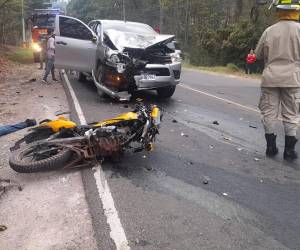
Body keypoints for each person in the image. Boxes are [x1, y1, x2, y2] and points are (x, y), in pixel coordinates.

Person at [255, 0, 300, 162]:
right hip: (293, 79)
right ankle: (289, 151)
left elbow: (258, 54)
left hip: (271, 78)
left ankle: (270, 147)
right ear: (296, 11)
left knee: (269, 113)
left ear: (278, 11)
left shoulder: (269, 31)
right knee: (291, 114)